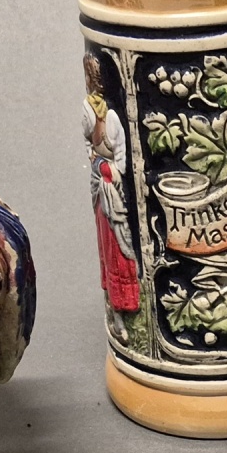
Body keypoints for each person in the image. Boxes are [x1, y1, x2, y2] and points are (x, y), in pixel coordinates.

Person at [84, 56, 140, 323]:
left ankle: (126, 300)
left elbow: (121, 160)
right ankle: (117, 308)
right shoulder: (88, 110)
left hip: (113, 192)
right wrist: (98, 164)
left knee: (120, 243)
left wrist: (111, 171)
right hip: (102, 191)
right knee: (108, 246)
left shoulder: (113, 117)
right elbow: (89, 146)